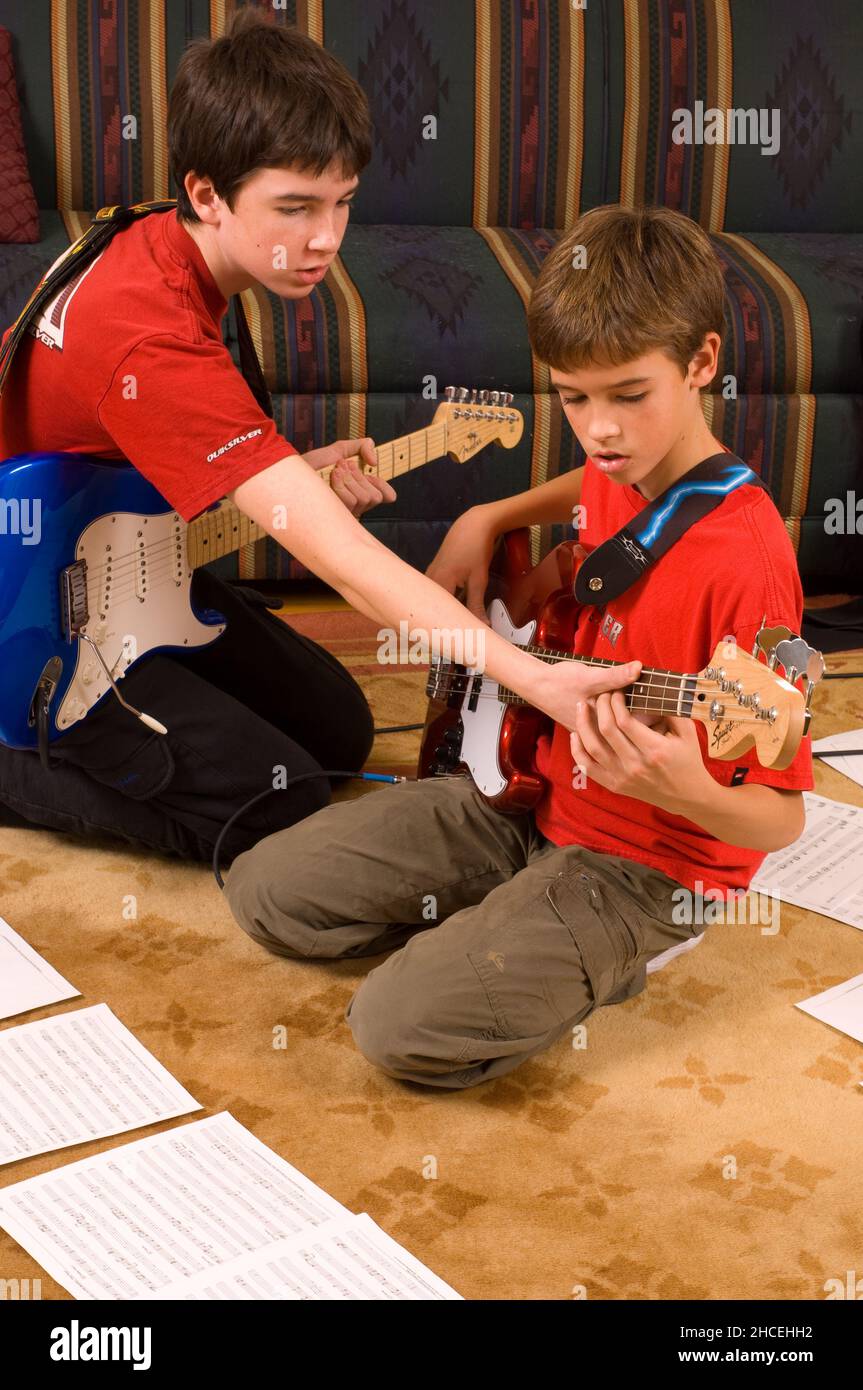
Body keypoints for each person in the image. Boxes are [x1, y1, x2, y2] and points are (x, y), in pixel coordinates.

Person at [0, 11, 627, 862]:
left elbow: (155, 443)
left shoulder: (160, 238)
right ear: (206, 193)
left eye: (341, 204)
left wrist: (289, 475)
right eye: (294, 207)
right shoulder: (152, 336)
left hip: (115, 563)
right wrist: (533, 677)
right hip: (29, 619)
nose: (326, 239)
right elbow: (342, 562)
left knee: (339, 730)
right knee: (278, 805)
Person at [224, 203, 814, 1090]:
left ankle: (600, 944)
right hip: (523, 791)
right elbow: (595, 485)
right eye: (573, 398)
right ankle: (501, 913)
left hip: (645, 864)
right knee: (264, 890)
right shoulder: (626, 465)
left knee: (396, 1027)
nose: (600, 430)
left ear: (699, 363)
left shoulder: (748, 569)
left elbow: (781, 815)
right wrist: (488, 515)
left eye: (627, 396)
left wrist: (688, 787)